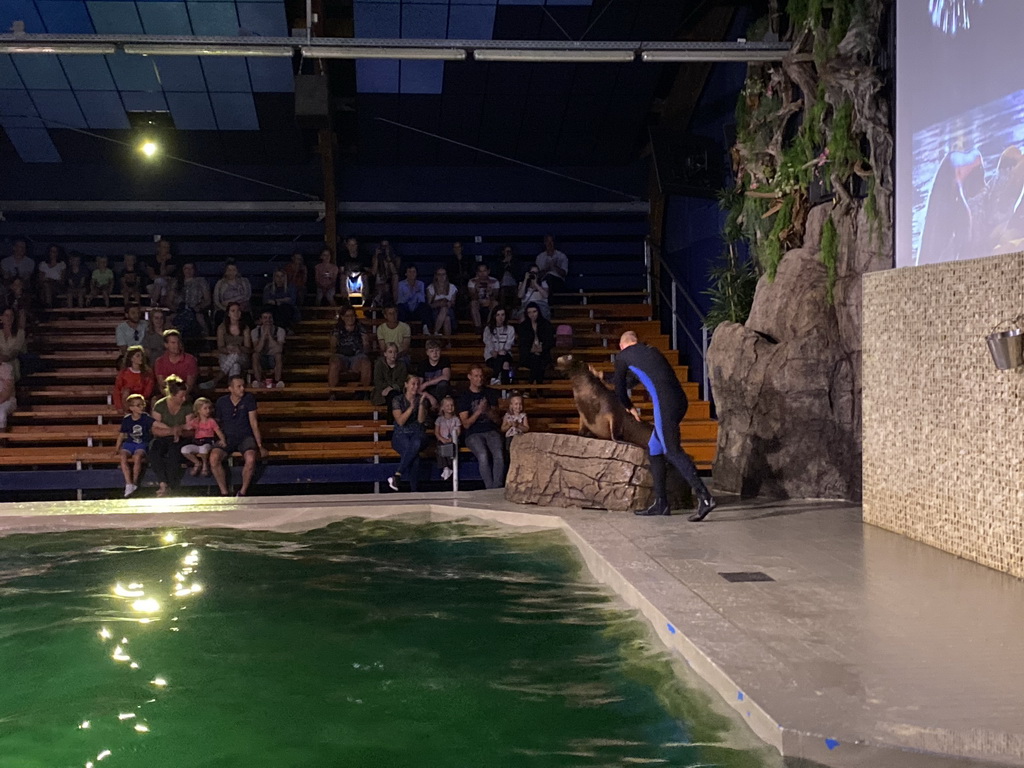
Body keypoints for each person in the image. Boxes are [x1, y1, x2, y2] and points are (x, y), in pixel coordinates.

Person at [613, 331, 717, 520]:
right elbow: (637, 378)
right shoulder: (651, 351)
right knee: (655, 449)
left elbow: (620, 388)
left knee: (672, 450)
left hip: (665, 404)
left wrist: (630, 407)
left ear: (622, 345)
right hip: (680, 401)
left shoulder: (622, 357)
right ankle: (661, 503)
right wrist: (603, 375)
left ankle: (705, 497)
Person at [210, 375, 265, 497]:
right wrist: (220, 439)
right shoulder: (222, 402)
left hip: (245, 437)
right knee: (214, 458)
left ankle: (242, 492)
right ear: (230, 388)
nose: (242, 389)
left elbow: (253, 423)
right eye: (238, 386)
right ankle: (224, 492)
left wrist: (259, 445)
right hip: (227, 437)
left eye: (243, 386)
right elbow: (217, 423)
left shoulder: (249, 399)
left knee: (250, 459)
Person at [458, 363, 504, 489]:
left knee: (499, 454)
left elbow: (497, 420)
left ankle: (497, 487)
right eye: (476, 376)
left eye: (481, 376)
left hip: (490, 430)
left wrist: (488, 410)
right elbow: (466, 424)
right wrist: (478, 411)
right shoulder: (464, 396)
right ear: (470, 377)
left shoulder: (490, 393)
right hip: (473, 433)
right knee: (483, 455)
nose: (479, 379)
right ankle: (490, 488)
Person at [387, 374, 435, 492]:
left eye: (418, 384)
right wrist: (411, 408)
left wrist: (421, 405)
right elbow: (401, 421)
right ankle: (414, 491)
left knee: (417, 442)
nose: (415, 386)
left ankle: (397, 475)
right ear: (406, 385)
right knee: (415, 457)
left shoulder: (421, 399)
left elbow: (421, 420)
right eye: (413, 383)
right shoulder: (397, 399)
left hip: (417, 433)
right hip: (401, 434)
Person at [150, 374, 192, 497]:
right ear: (173, 395)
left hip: (181, 438)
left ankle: (172, 486)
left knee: (174, 453)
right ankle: (163, 483)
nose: (184, 399)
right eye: (181, 396)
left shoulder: (187, 406)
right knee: (155, 451)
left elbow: (190, 428)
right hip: (163, 437)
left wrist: (179, 431)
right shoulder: (160, 405)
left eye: (185, 395)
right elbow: (155, 429)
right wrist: (173, 430)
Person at [116, 393, 153, 497]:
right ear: (131, 408)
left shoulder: (145, 417)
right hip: (129, 443)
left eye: (142, 404)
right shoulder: (127, 419)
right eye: (138, 405)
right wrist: (117, 447)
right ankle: (129, 483)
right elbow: (122, 434)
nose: (141, 407)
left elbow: (154, 425)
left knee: (137, 457)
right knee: (123, 456)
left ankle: (135, 482)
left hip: (141, 443)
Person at [328, 306, 372, 392]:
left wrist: (365, 350)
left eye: (352, 315)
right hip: (341, 356)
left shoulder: (360, 327)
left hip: (357, 356)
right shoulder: (337, 329)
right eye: (347, 316)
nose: (350, 318)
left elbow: (366, 342)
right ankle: (332, 392)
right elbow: (333, 345)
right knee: (334, 364)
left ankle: (364, 392)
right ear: (342, 317)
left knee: (366, 363)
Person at [181, 397, 226, 477]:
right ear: (199, 410)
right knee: (184, 449)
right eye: (205, 408)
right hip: (197, 442)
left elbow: (218, 431)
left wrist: (222, 440)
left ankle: (205, 465)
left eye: (209, 408)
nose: (208, 410)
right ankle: (197, 463)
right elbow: (186, 426)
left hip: (207, 442)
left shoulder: (211, 421)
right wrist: (176, 429)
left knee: (204, 449)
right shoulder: (195, 421)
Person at [518, 303, 555, 384]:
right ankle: (538, 389)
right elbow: (522, 344)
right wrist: (531, 350)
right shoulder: (523, 326)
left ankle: (529, 387)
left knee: (538, 361)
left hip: (543, 355)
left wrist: (541, 349)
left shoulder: (546, 324)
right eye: (529, 312)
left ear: (538, 312)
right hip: (528, 356)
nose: (532, 314)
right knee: (536, 361)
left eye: (534, 311)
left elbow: (550, 341)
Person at [154, 330, 199, 395]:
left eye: (178, 342)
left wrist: (179, 397)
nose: (177, 345)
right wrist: (171, 398)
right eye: (173, 343)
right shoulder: (160, 361)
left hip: (186, 395)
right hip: (167, 395)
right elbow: (162, 385)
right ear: (166, 345)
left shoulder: (190, 360)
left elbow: (189, 385)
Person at [216, 302, 251, 384]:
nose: (236, 313)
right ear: (228, 313)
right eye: (233, 311)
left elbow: (248, 349)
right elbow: (220, 347)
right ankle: (233, 388)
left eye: (238, 311)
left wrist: (238, 348)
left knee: (235, 355)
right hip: (226, 355)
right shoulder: (222, 328)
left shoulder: (245, 328)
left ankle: (216, 379)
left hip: (242, 356)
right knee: (235, 366)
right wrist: (229, 350)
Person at [113, 345, 155, 413]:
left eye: (141, 356)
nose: (141, 358)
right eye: (138, 356)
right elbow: (117, 390)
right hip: (127, 401)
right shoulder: (123, 373)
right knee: (125, 392)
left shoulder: (147, 374)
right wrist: (119, 406)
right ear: (131, 358)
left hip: (141, 401)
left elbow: (147, 392)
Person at [174, 262, 211, 336]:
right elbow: (168, 300)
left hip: (196, 309)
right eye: (186, 268)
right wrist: (175, 309)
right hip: (180, 310)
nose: (188, 270)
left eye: (191, 268)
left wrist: (198, 307)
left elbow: (208, 300)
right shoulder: (176, 282)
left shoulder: (201, 281)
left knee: (199, 317)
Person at [251, 310, 286, 388]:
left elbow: (279, 349)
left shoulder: (280, 330)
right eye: (265, 318)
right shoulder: (255, 331)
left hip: (273, 358)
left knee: (278, 355)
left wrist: (269, 336)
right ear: (261, 320)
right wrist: (263, 337)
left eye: (270, 318)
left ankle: (277, 381)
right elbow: (257, 349)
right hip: (262, 357)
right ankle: (258, 381)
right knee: (255, 355)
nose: (268, 320)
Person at [483, 307, 516, 385]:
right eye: (498, 315)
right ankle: (505, 389)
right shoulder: (488, 329)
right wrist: (493, 351)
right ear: (494, 316)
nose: (500, 317)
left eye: (502, 315)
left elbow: (509, 342)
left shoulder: (510, 329)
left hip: (506, 354)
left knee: (504, 359)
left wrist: (504, 350)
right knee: (505, 364)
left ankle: (495, 377)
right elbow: (488, 342)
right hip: (491, 356)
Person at [396, 264, 432, 332]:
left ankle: (425, 328)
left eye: (414, 272)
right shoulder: (401, 284)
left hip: (416, 309)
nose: (412, 274)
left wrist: (416, 293)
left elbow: (422, 300)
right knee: (400, 307)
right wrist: (412, 291)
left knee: (425, 307)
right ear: (406, 273)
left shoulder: (420, 284)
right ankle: (402, 330)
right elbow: (400, 300)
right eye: (409, 272)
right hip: (406, 309)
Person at [371, 342, 407, 407]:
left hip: (397, 391)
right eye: (390, 352)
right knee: (392, 397)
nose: (393, 354)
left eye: (395, 352)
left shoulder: (402, 365)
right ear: (385, 353)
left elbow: (402, 381)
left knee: (394, 396)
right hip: (382, 392)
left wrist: (392, 387)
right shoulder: (379, 364)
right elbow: (378, 381)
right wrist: (387, 388)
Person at [444, 241, 474, 320]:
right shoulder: (450, 261)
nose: (457, 249)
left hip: (467, 284)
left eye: (459, 247)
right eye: (455, 247)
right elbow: (449, 275)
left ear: (462, 248)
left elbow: (471, 273)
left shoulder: (468, 260)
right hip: (455, 284)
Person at [434, 394, 460, 481]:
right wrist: (442, 439)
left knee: (452, 447)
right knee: (439, 448)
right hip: (442, 440)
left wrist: (452, 439)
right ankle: (445, 467)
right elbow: (437, 432)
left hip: (453, 439)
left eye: (452, 405)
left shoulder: (456, 419)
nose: (450, 407)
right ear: (442, 408)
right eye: (447, 405)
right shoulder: (439, 419)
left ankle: (450, 466)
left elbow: (458, 431)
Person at [427, 266, 457, 338]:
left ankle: (435, 332)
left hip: (449, 310)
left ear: (446, 275)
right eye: (439, 274)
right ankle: (448, 342)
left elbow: (453, 303)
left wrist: (447, 303)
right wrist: (439, 303)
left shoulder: (452, 287)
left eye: (443, 274)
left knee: (445, 309)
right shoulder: (430, 288)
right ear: (436, 276)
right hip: (435, 311)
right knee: (447, 319)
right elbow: (429, 305)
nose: (441, 277)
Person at [467, 263, 500, 331]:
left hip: (489, 302)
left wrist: (490, 293)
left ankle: (489, 326)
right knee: (473, 304)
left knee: (495, 303)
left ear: (488, 271)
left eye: (484, 271)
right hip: (478, 303)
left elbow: (496, 296)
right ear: (477, 272)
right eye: (480, 271)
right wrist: (477, 291)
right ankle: (478, 327)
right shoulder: (472, 281)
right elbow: (472, 298)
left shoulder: (494, 281)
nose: (482, 274)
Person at [146, 238, 177, 307]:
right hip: (153, 285)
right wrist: (163, 277)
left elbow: (164, 273)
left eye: (168, 247)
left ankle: (153, 303)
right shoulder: (151, 259)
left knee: (161, 283)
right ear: (158, 248)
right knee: (159, 282)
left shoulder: (172, 260)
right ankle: (160, 305)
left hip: (168, 284)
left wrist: (164, 261)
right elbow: (152, 276)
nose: (166, 249)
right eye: (164, 247)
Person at [536, 234, 568, 299]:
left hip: (558, 282)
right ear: (545, 243)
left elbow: (564, 273)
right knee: (547, 279)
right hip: (544, 282)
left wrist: (555, 267)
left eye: (551, 241)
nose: (549, 244)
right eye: (547, 241)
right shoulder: (540, 257)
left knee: (550, 279)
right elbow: (537, 275)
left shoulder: (561, 256)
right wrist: (547, 269)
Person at [369, 240, 400, 307]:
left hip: (391, 283)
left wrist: (388, 258)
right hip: (378, 282)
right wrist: (377, 257)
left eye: (386, 247)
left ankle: (394, 304)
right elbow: (373, 273)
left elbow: (394, 272)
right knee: (382, 288)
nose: (384, 249)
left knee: (390, 283)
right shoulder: (375, 257)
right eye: (383, 247)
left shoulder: (396, 258)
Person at [0, 308, 26, 382]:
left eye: (11, 315)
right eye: (7, 315)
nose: (9, 318)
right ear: (1, 317)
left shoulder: (20, 333)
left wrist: (6, 358)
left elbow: (16, 350)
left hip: (12, 362)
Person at [496, 245, 521, 310]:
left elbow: (517, 275)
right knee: (502, 292)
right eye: (506, 251)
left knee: (516, 292)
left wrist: (510, 264)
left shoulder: (516, 262)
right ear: (503, 252)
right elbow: (498, 274)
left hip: (514, 285)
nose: (508, 253)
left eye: (509, 251)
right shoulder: (499, 262)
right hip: (502, 285)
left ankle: (514, 312)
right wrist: (504, 263)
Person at [0, 359, 16, 434]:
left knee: (1, 414)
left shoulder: (6, 368)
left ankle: (1, 441)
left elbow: (7, 391)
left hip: (6, 400)